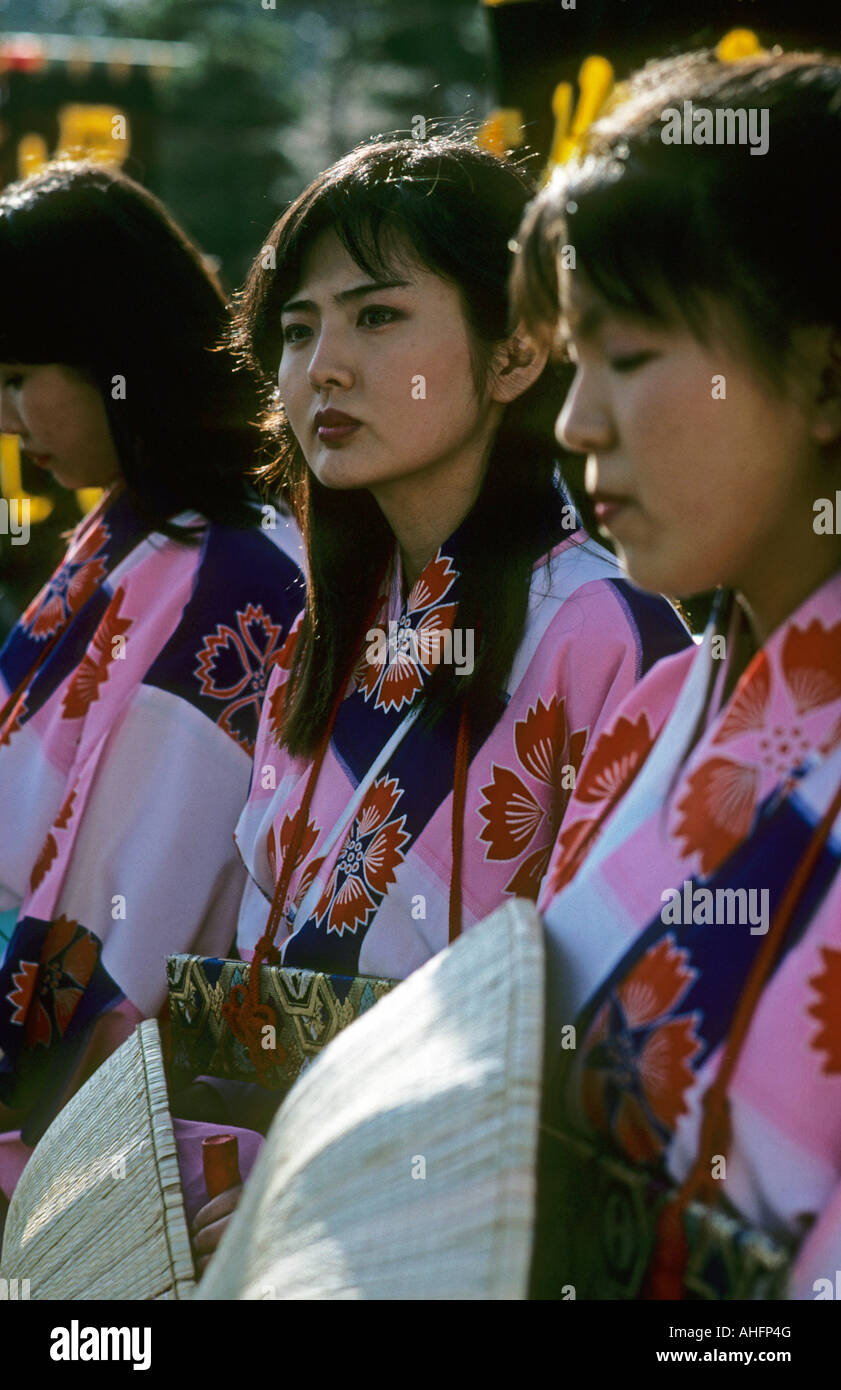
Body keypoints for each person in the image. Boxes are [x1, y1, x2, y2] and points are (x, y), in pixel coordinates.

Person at [186, 133, 691, 1268]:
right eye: (298, 329)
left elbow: (596, 1035)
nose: (322, 366)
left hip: (448, 1239)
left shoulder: (607, 638)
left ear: (516, 352)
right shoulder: (321, 645)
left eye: (375, 317)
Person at [511, 50, 841, 1298]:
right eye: (572, 359)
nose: (573, 422)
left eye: (630, 355)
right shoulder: (680, 702)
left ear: (823, 368)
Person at [0, 162, 305, 1207]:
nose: (6, 418)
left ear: (106, 355)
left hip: (98, 1131)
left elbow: (134, 926)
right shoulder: (132, 523)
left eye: (16, 374)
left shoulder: (236, 579)